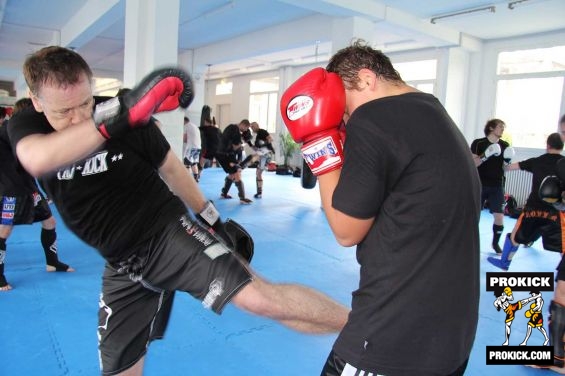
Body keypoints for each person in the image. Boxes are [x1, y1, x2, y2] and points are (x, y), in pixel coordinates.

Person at [8, 46, 349, 375]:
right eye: (63, 112)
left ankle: (372, 326)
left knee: (258, 298)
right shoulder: (29, 125)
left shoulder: (125, 115)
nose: (77, 117)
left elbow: (171, 168)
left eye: (84, 104)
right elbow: (37, 158)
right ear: (37, 101)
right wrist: (118, 117)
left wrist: (210, 217)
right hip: (122, 264)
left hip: (165, 232)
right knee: (118, 370)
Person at [281, 39, 480, 375]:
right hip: (451, 340)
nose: (344, 122)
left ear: (366, 79)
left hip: (392, 339)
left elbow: (346, 230)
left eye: (343, 110)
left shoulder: (373, 117)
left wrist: (320, 146)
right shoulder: (435, 112)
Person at [0, 97, 74, 291]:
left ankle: (52, 262)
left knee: (50, 222)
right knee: (4, 231)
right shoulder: (8, 131)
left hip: (28, 187)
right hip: (10, 189)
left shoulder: (28, 132)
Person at [488, 132, 564, 271]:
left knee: (516, 236)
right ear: (562, 146)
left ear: (547, 146)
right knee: (563, 244)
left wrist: (501, 160)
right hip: (556, 211)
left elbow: (509, 168)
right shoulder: (563, 163)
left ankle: (504, 263)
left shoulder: (537, 161)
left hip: (533, 209)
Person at [470, 119, 512, 254]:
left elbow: (505, 168)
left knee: (499, 216)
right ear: (491, 128)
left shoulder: (505, 145)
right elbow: (473, 164)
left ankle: (495, 243)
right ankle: (469, 242)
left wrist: (508, 161)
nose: (502, 129)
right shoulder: (478, 143)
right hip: (479, 183)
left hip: (497, 185)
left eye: (503, 127)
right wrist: (485, 156)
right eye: (500, 126)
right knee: (474, 215)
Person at [216, 119, 253, 204]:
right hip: (226, 154)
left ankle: (224, 193)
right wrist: (242, 143)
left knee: (232, 173)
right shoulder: (236, 130)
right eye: (246, 128)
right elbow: (235, 147)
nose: (246, 130)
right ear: (244, 125)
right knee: (237, 172)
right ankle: (242, 198)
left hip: (221, 153)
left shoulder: (231, 127)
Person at [240, 121, 275, 198]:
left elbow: (270, 139)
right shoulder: (258, 136)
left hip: (267, 152)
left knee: (254, 156)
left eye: (253, 126)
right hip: (263, 154)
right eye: (251, 127)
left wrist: (263, 143)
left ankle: (241, 166)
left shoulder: (262, 131)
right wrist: (249, 143)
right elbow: (256, 148)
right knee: (258, 173)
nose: (252, 128)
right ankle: (259, 193)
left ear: (257, 126)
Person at [198, 105, 221, 169]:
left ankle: (198, 175)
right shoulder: (215, 128)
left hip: (209, 148)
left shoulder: (205, 127)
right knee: (205, 162)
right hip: (215, 148)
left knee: (202, 162)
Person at [182, 116, 201, 182]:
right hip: (198, 147)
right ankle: (196, 178)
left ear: (184, 121)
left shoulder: (186, 126)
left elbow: (185, 139)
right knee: (194, 163)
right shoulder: (195, 126)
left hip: (191, 147)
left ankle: (188, 180)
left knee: (187, 163)